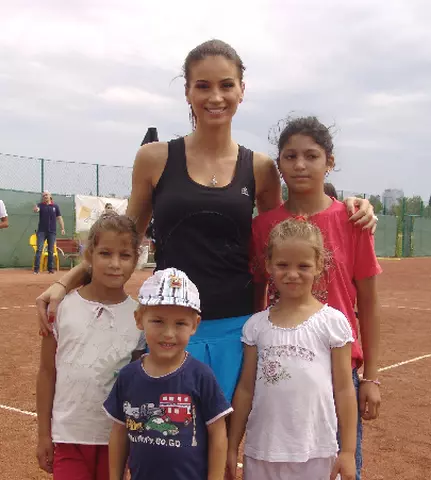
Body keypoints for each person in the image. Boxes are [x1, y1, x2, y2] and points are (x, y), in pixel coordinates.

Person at [35, 40, 376, 402]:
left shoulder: (260, 168)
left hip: (237, 329)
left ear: (241, 90)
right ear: (188, 92)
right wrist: (65, 281)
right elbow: (121, 239)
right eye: (203, 86)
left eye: (226, 85)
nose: (216, 97)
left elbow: (289, 231)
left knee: (227, 434)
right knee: (166, 433)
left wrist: (349, 205)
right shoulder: (154, 159)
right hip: (169, 327)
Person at [249, 116, 382, 479]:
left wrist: (371, 377)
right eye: (290, 156)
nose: (300, 165)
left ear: (329, 162)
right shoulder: (263, 226)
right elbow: (257, 298)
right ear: (279, 164)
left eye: (311, 156)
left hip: (338, 372)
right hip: (281, 365)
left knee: (339, 465)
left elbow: (369, 303)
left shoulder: (353, 220)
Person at [227, 218, 357, 480]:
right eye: (283, 265)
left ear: (319, 265)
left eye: (303, 266)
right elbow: (245, 389)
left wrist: (348, 451)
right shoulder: (255, 326)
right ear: (268, 265)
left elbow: (344, 390)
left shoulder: (333, 323)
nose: (292, 274)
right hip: (262, 452)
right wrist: (231, 447)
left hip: (317, 453)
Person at [36, 213, 146, 479]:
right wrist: (43, 435)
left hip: (116, 440)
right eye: (105, 253)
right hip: (68, 437)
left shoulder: (140, 318)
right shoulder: (60, 309)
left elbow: (138, 386)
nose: (115, 264)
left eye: (125, 255)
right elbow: (47, 372)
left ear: (136, 259)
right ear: (89, 255)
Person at [104, 268, 232, 480]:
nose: (168, 333)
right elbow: (119, 432)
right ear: (139, 319)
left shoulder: (201, 376)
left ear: (195, 325)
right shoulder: (128, 376)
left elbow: (218, 434)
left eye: (180, 323)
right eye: (158, 321)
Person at [33, 191, 65, 274]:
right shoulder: (40, 205)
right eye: (43, 195)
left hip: (52, 232)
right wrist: (36, 209)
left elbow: (59, 218)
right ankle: (36, 270)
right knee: (39, 250)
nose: (45, 196)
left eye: (46, 195)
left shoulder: (55, 206)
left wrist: (62, 228)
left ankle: (50, 269)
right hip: (41, 232)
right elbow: (37, 209)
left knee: (51, 251)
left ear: (50, 196)